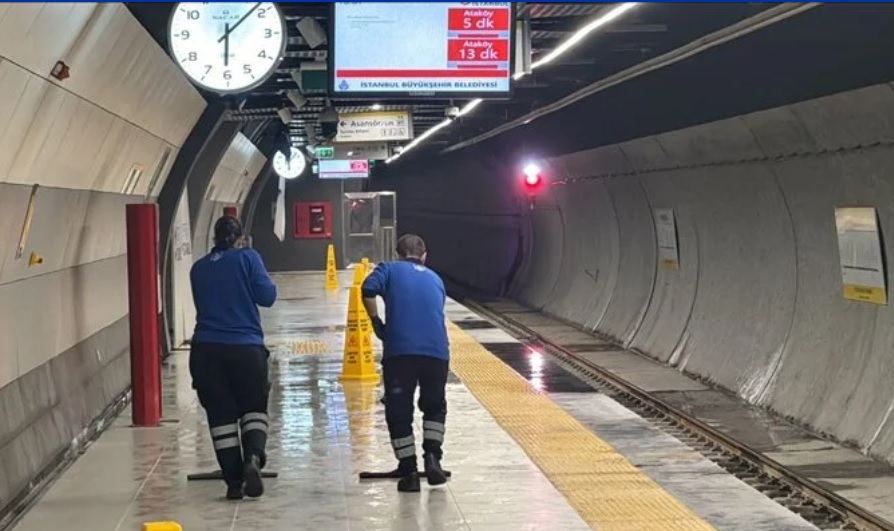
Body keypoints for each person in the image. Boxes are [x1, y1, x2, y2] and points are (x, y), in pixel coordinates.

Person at [189, 215, 277, 500]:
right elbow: (267, 296)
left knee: (221, 417)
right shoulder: (248, 258)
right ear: (240, 238)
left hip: (205, 350)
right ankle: (253, 457)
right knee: (254, 408)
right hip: (245, 348)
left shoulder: (198, 269)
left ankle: (233, 482)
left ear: (214, 238)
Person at [361, 234, 449, 492]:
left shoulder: (388, 269)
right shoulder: (435, 278)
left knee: (399, 411)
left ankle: (409, 471)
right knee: (434, 407)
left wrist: (376, 322)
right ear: (424, 255)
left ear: (397, 253)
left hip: (400, 353)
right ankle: (432, 457)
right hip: (437, 353)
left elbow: (367, 289)